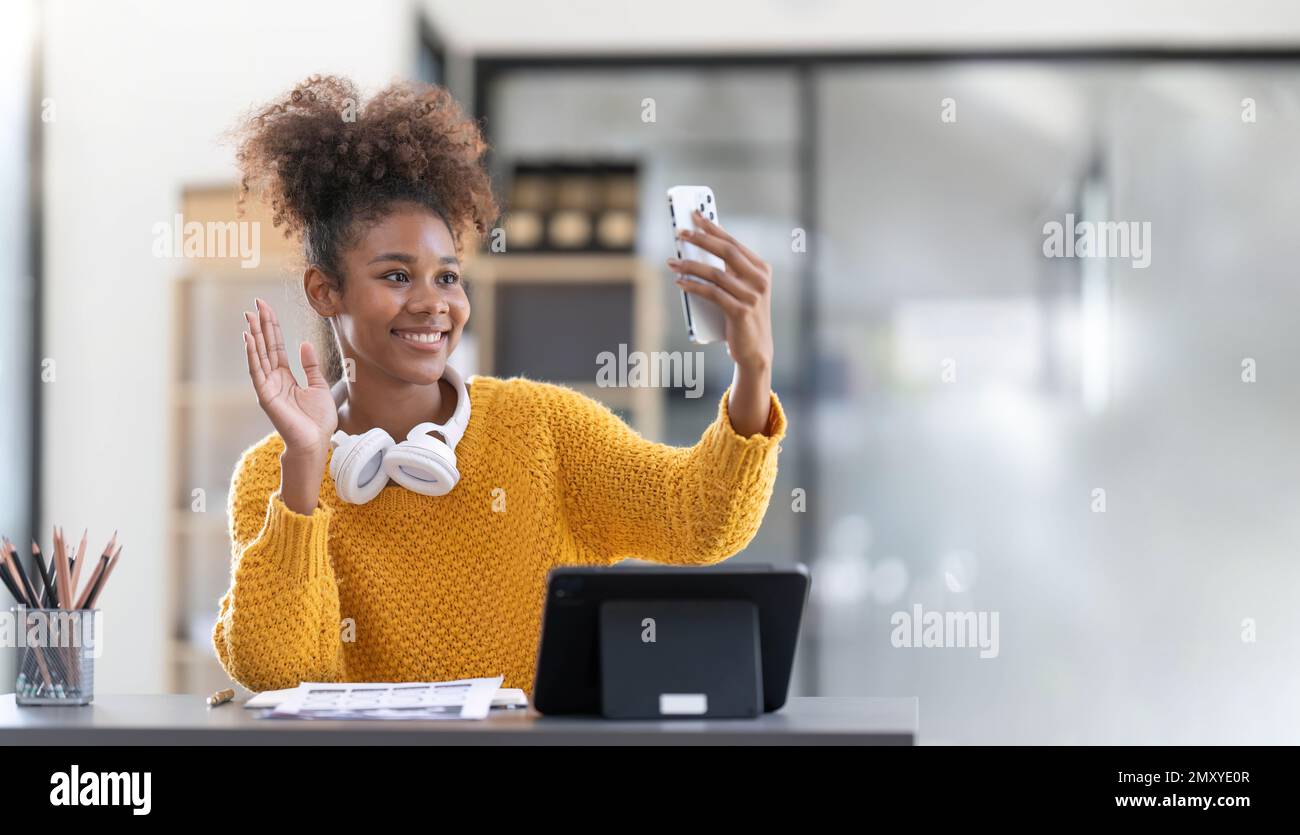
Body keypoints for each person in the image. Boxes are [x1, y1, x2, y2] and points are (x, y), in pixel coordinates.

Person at [211, 75, 787, 695]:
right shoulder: (271, 475)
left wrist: (752, 369)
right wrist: (304, 463)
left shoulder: (541, 427)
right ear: (326, 291)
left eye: (448, 277)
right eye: (398, 276)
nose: (434, 304)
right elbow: (282, 675)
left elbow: (700, 521)